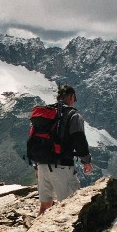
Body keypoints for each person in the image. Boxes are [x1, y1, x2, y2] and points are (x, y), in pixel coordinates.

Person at [34, 84, 92, 216]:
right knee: (70, 205)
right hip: (62, 167)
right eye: (74, 98)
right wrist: (86, 161)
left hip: (42, 165)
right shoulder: (73, 115)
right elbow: (79, 138)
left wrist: (36, 166)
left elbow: (35, 139)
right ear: (71, 96)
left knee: (45, 206)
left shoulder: (46, 114)